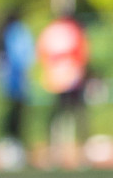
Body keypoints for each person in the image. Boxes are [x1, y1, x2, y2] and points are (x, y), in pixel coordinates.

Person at [38, 12, 90, 167]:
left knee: (59, 117)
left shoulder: (50, 31)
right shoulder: (72, 30)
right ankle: (76, 155)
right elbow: (82, 54)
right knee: (76, 116)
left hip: (57, 78)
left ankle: (57, 154)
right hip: (70, 77)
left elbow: (42, 53)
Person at [0, 11, 33, 148]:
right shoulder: (18, 32)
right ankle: (13, 142)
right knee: (16, 114)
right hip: (16, 80)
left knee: (11, 113)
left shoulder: (7, 32)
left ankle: (10, 142)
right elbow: (24, 57)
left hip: (9, 81)